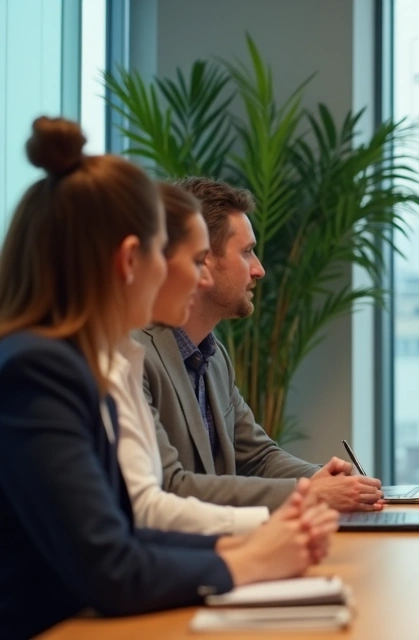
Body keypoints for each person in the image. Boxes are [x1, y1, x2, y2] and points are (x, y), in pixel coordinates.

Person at [0, 117, 337, 638]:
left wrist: (247, 543)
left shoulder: (79, 361)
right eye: (178, 256)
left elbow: (128, 530)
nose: (195, 277)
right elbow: (111, 565)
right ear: (130, 261)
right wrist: (248, 560)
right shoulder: (38, 370)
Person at [136, 177, 383, 512]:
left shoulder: (214, 356)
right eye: (247, 252)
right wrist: (311, 494)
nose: (260, 270)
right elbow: (170, 487)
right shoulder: (135, 357)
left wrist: (323, 480)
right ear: (203, 259)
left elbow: (257, 457)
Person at [112, 183, 268, 534]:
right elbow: (162, 494)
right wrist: (302, 501)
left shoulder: (214, 355)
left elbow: (257, 456)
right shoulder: (120, 357)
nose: (203, 278)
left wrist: (329, 486)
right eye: (198, 261)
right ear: (132, 259)